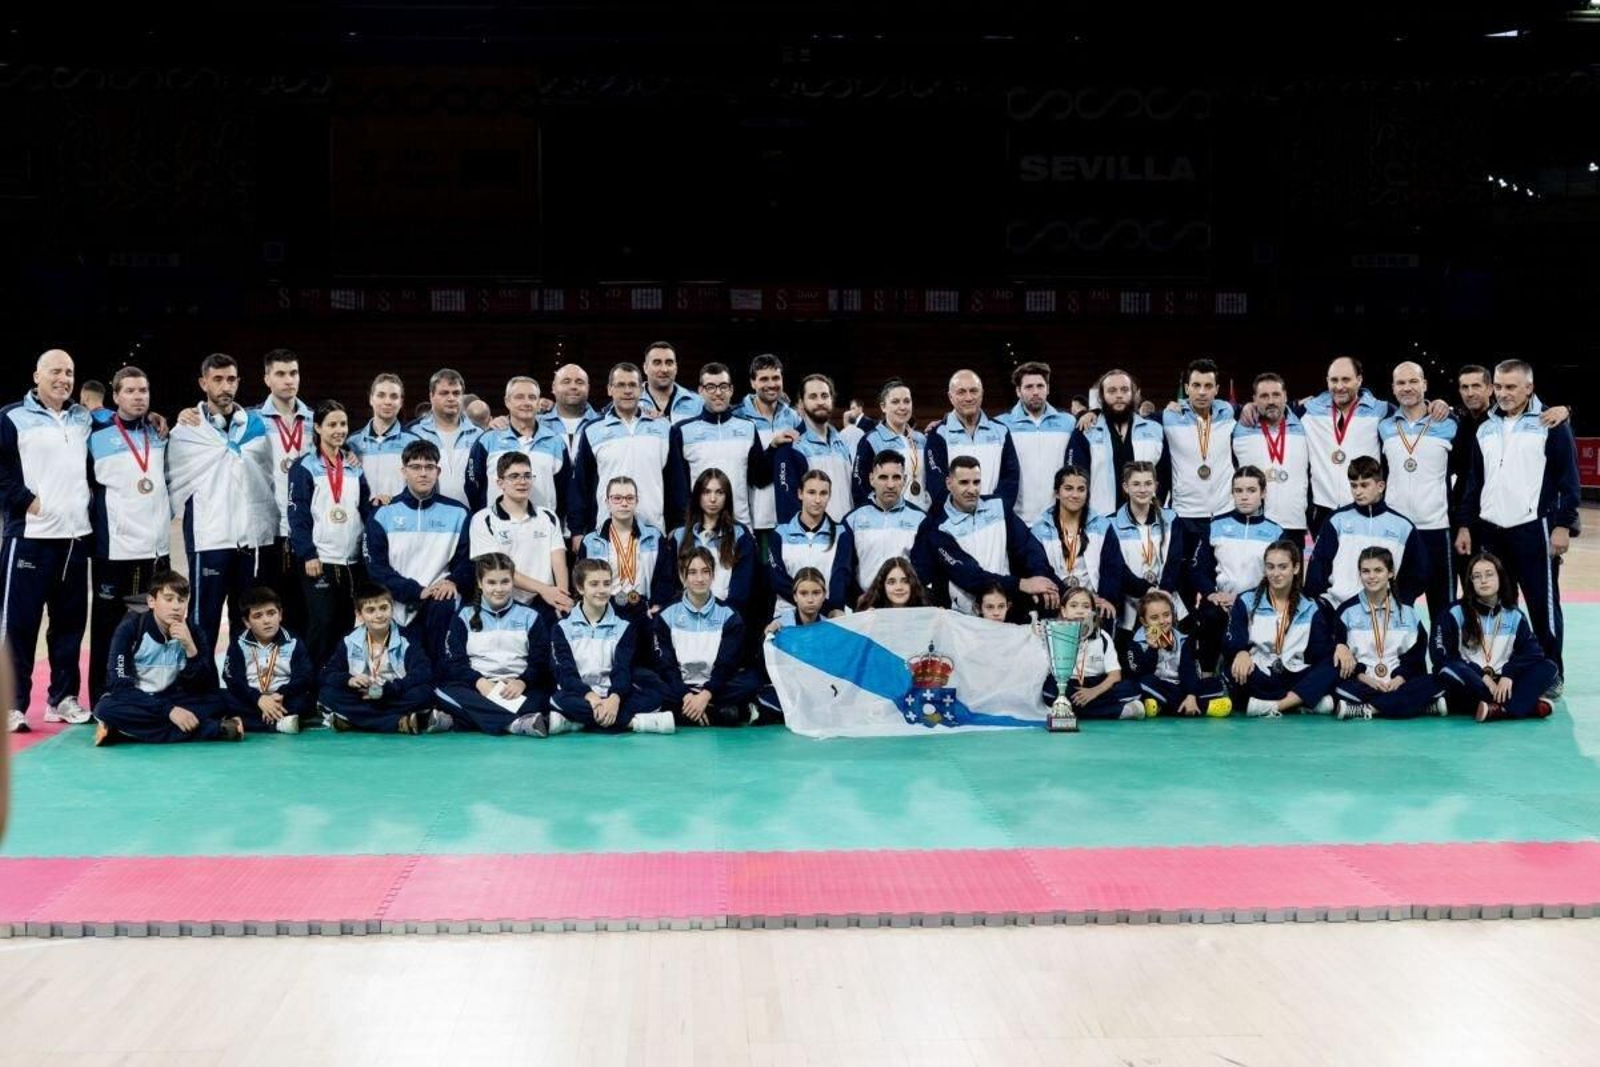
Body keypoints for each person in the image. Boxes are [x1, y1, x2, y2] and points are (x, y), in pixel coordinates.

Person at [1457, 359, 1579, 697]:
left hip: (1533, 528)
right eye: (1498, 386)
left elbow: (1569, 479)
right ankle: (1501, 668)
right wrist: (1465, 524)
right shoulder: (1486, 427)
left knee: (1543, 606)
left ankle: (1552, 673)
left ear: (1529, 388)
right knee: (1495, 604)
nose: (1503, 393)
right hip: (1490, 530)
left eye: (1511, 387)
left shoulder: (1550, 423)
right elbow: (1474, 483)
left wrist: (1563, 525)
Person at [1, 349, 94, 732]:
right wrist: (27, 502)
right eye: (55, 371)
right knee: (19, 626)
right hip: (30, 536)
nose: (64, 378)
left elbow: (120, 422)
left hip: (74, 538)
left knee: (70, 625)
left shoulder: (83, 418)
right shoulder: (11, 417)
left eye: (69, 372)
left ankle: (63, 699)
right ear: (36, 375)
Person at [165, 352, 279, 657]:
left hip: (249, 540)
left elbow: (268, 475)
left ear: (238, 382)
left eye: (230, 379)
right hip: (210, 539)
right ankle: (200, 681)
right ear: (203, 383)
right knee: (204, 619)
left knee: (248, 619)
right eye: (217, 379)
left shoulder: (256, 427)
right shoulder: (186, 431)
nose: (225, 386)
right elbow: (171, 481)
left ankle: (242, 679)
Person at [85, 366, 170, 713]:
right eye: (131, 391)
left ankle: (146, 691)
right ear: (116, 396)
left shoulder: (159, 432)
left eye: (143, 391)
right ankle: (102, 696)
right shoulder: (94, 432)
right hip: (115, 549)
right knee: (108, 627)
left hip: (156, 549)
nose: (138, 397)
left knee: (151, 626)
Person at [92, 571, 241, 745]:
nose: (176, 607)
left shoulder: (193, 631)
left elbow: (203, 686)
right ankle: (212, 729)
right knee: (104, 709)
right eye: (169, 599)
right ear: (151, 601)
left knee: (223, 700)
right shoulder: (130, 628)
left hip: (173, 697)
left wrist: (190, 648)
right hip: (139, 701)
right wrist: (169, 711)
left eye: (181, 600)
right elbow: (120, 686)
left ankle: (124, 732)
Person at [363, 439, 473, 663]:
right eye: (415, 467)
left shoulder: (459, 513)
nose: (423, 473)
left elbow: (469, 561)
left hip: (441, 603)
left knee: (440, 664)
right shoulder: (382, 514)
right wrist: (415, 591)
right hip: (397, 604)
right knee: (409, 669)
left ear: (438, 472)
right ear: (404, 471)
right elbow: (376, 568)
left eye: (429, 467)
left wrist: (453, 581)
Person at [915, 455, 1059, 617]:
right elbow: (969, 576)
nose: (972, 489)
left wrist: (1040, 578)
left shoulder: (998, 507)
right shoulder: (937, 527)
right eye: (964, 482)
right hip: (963, 617)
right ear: (949, 483)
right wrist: (1021, 584)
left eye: (976, 482)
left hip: (1004, 610)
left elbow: (1028, 547)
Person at [1379, 361, 1464, 627]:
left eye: (1413, 381)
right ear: (1393, 388)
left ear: (1424, 385)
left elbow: (1467, 475)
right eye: (1401, 383)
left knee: (1443, 608)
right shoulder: (1384, 427)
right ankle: (1401, 654)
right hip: (1396, 531)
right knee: (1395, 606)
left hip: (1437, 529)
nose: (1407, 388)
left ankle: (1443, 655)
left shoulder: (1450, 424)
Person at [288, 400, 372, 669]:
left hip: (350, 560)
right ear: (318, 428)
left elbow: (363, 507)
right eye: (332, 424)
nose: (339, 430)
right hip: (320, 559)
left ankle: (336, 681)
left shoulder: (354, 466)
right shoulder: (304, 467)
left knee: (345, 624)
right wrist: (307, 553)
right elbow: (297, 514)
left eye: (343, 424)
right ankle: (310, 681)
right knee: (321, 623)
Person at [550, 558, 674, 735]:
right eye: (594, 584)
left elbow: (622, 669)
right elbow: (565, 673)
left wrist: (614, 699)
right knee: (557, 699)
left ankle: (578, 722)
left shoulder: (624, 626)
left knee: (655, 696)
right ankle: (635, 723)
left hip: (613, 693)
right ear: (580, 588)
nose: (602, 590)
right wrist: (592, 698)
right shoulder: (562, 628)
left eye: (607, 584)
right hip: (579, 695)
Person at [435, 553, 554, 737]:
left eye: (505, 582)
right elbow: (454, 662)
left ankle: (464, 720)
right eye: (491, 582)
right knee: (442, 693)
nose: (499, 589)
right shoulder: (463, 616)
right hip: (477, 688)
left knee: (545, 699)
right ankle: (514, 724)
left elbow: (541, 660)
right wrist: (480, 682)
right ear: (480, 583)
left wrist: (522, 682)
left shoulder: (530, 616)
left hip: (517, 689)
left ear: (512, 582)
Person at [1432, 552, 1557, 722]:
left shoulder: (1514, 615)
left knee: (1548, 667)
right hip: (1472, 680)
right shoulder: (1453, 613)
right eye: (1477, 576)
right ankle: (1523, 705)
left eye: (1489, 574)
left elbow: (1533, 651)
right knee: (1450, 670)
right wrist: (1482, 676)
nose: (1483, 580)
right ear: (1470, 582)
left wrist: (1509, 674)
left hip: (1502, 681)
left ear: (1500, 577)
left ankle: (1499, 709)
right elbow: (1441, 656)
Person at [1224, 539, 1338, 717]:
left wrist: (1338, 651)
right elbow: (1233, 636)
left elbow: (1321, 652)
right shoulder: (1246, 601)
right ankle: (1303, 701)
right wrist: (1240, 652)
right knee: (1233, 671)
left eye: (1283, 567)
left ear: (1296, 568)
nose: (1276, 574)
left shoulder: (1310, 608)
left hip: (1294, 673)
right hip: (1260, 672)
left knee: (1334, 663)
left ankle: (1277, 705)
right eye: (1270, 567)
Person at [1329, 547, 1445, 721]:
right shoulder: (1346, 611)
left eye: (1378, 570)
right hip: (1362, 683)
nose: (1371, 576)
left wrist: (1399, 678)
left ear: (1390, 573)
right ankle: (1419, 706)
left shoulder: (1408, 612)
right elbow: (1339, 655)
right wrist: (1363, 677)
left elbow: (1416, 656)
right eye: (1365, 571)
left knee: (1437, 681)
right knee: (1338, 687)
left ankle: (1368, 709)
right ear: (1360, 574)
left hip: (1398, 683)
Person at [655, 547, 764, 727]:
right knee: (649, 682)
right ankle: (719, 714)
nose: (700, 578)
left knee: (752, 680)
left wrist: (706, 695)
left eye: (705, 571)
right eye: (692, 572)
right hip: (681, 688)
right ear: (683, 577)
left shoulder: (730, 616)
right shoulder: (666, 616)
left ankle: (684, 714)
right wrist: (686, 695)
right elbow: (666, 666)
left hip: (716, 687)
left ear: (713, 576)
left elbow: (726, 665)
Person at [319, 583, 445, 734]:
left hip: (393, 694)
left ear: (392, 609)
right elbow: (327, 673)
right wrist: (349, 680)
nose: (379, 615)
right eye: (370, 610)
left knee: (424, 694)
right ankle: (396, 722)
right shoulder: (349, 640)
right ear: (359, 614)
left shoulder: (407, 639)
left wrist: (388, 690)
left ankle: (354, 720)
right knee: (327, 693)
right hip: (363, 695)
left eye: (384, 608)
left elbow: (423, 673)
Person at [1305, 456, 1428, 611]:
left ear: (1381, 486)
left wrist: (1401, 601)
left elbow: (1419, 573)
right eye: (1353, 486)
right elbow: (1318, 567)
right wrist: (1320, 604)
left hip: (1385, 611)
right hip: (1338, 608)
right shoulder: (1337, 520)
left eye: (1364, 485)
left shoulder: (1403, 526)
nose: (1358, 492)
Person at [1192, 466, 1283, 671]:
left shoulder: (1276, 532)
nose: (1244, 496)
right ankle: (1207, 676)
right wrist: (1212, 594)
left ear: (1263, 493)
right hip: (1219, 602)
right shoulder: (1216, 526)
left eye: (1251, 490)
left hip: (1258, 604)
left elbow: (1279, 577)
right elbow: (1197, 568)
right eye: (1238, 490)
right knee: (1210, 617)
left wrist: (1243, 599)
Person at [569, 362, 673, 536]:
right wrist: (577, 530)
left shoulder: (663, 427)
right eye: (620, 385)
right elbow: (581, 484)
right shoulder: (593, 430)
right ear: (610, 389)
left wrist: (677, 526)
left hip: (653, 529)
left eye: (632, 385)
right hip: (605, 530)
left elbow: (674, 482)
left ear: (641, 390)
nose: (627, 391)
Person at [1162, 359, 1237, 596]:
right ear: (1187, 388)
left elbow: (1261, 408)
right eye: (1196, 385)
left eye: (1208, 386)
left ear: (1217, 389)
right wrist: (1093, 412)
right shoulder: (1168, 417)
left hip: (1223, 512)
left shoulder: (1229, 415)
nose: (1202, 392)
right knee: (1185, 581)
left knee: (1218, 578)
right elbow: (1134, 415)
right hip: (1186, 514)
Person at [469, 452, 570, 625]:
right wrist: (544, 589)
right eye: (514, 476)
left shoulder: (548, 516)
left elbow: (559, 562)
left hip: (544, 601)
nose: (522, 482)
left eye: (527, 476)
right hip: (503, 600)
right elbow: (495, 569)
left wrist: (562, 598)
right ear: (500, 483)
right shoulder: (483, 519)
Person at [666, 362, 770, 529]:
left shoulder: (748, 428)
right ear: (701, 391)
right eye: (710, 387)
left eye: (723, 386)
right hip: (699, 530)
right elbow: (677, 488)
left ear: (731, 389)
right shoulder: (682, 431)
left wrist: (774, 447)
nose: (718, 392)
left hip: (740, 527)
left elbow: (760, 478)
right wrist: (683, 526)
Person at [255, 348, 313, 630]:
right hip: (268, 530)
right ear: (267, 379)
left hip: (305, 529)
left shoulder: (315, 420)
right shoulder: (250, 420)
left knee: (305, 610)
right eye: (280, 374)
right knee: (269, 608)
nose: (289, 380)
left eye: (293, 373)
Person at [1067, 368, 1166, 517]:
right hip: (1101, 519)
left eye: (1124, 390)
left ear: (1134, 394)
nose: (1119, 395)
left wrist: (1156, 508)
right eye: (1112, 391)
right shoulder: (1086, 431)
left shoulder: (1155, 430)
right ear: (1102, 396)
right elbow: (1074, 478)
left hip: (1144, 519)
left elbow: (1164, 475)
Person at [466, 376, 569, 519]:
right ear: (507, 401)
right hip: (497, 526)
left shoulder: (555, 442)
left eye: (532, 397)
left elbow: (565, 490)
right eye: (519, 397)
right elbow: (472, 484)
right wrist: (486, 516)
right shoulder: (487, 440)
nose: (526, 402)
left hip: (542, 527)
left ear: (538, 402)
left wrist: (554, 519)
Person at [838, 451, 930, 607]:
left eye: (896, 477)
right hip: (866, 607)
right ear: (871, 479)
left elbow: (923, 570)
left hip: (906, 607)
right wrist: (859, 600)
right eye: (883, 477)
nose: (890, 485)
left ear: (905, 480)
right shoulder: (852, 520)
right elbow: (844, 569)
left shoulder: (920, 519)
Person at [658, 468, 757, 613]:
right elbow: (671, 584)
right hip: (685, 616)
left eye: (719, 492)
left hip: (726, 616)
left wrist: (725, 616)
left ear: (727, 497)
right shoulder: (679, 535)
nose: (713, 499)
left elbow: (741, 590)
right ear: (698, 496)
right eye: (706, 492)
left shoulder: (740, 535)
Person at [1104, 460, 1185, 636]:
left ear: (1155, 486)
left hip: (1167, 600)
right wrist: (1146, 590)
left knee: (1171, 648)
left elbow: (1175, 561)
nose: (1142, 489)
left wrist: (1163, 592)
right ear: (1125, 487)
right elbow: (1117, 568)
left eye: (1148, 483)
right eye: (1136, 484)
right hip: (1130, 608)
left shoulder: (1171, 519)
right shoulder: (1110, 524)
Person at [1040, 587, 1144, 720]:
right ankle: (1120, 711)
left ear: (1093, 612)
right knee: (1050, 693)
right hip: (1068, 684)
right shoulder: (1055, 634)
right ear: (1064, 611)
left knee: (1132, 688)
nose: (1080, 610)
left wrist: (1094, 692)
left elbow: (1115, 675)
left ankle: (1075, 710)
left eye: (1086, 606)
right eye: (1073, 605)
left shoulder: (1103, 636)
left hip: (1096, 683)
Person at [578, 476, 674, 620]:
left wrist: (658, 604)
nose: (624, 503)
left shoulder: (654, 537)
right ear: (607, 502)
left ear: (637, 501)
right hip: (604, 610)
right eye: (617, 498)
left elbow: (665, 578)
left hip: (642, 609)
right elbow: (582, 581)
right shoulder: (590, 541)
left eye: (629, 498)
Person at [221, 586, 315, 734]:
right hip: (252, 699)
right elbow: (232, 679)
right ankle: (279, 724)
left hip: (282, 699)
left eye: (271, 613)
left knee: (306, 700)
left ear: (280, 615)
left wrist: (281, 694)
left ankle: (248, 723)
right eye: (258, 616)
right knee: (220, 698)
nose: (266, 621)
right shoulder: (239, 643)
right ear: (247, 622)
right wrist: (259, 699)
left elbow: (304, 676)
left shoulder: (293, 642)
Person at [926, 369, 1021, 513]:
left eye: (974, 391)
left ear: (982, 394)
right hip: (953, 519)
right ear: (950, 397)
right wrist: (957, 514)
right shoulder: (938, 434)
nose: (969, 397)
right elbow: (936, 482)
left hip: (994, 517)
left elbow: (1010, 478)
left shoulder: (1001, 431)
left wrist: (995, 510)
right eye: (961, 392)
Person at [1230, 373, 1309, 544]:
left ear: (1285, 396)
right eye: (1264, 396)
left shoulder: (1304, 422)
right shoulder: (1239, 427)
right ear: (1254, 400)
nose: (1271, 401)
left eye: (1276, 395)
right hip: (1253, 523)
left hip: (1293, 523)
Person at [1028, 466, 1116, 619]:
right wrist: (1069, 597)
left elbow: (1112, 569)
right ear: (1057, 493)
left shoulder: (1103, 526)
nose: (1075, 495)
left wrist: (1103, 600)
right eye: (1068, 488)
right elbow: (1041, 570)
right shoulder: (1039, 530)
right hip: (1055, 603)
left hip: (1092, 606)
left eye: (1081, 489)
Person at [733, 353, 805, 538]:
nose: (771, 384)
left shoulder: (793, 417)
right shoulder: (738, 417)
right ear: (753, 382)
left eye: (776, 378)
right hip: (754, 518)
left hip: (789, 517)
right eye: (764, 379)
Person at [1128, 590, 1231, 717]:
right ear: (1144, 621)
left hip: (1180, 686)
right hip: (1156, 686)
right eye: (1154, 618)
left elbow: (1188, 669)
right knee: (1142, 683)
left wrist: (1191, 695)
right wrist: (1152, 649)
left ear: (1173, 615)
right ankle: (1204, 707)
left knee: (1216, 684)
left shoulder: (1182, 640)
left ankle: (1163, 706)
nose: (1162, 621)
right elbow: (1140, 673)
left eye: (1166, 615)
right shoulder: (1136, 642)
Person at [995, 362, 1075, 524]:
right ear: (1018, 391)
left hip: (1058, 519)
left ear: (1048, 389)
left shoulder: (1069, 422)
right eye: (1029, 387)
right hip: (1017, 519)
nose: (1036, 392)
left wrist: (1093, 413)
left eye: (1040, 386)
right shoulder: (1001, 425)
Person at [773, 373, 858, 524]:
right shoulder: (791, 446)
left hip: (846, 533)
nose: (820, 402)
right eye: (813, 397)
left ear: (831, 400)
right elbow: (787, 508)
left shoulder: (842, 443)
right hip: (813, 536)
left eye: (825, 396)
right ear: (801, 404)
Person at [766, 469, 850, 617]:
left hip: (827, 618)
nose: (817, 500)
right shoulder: (779, 533)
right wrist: (819, 606)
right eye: (811, 492)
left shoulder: (841, 533)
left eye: (823, 493)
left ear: (829, 496)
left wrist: (832, 609)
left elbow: (840, 577)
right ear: (800, 493)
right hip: (787, 616)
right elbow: (777, 580)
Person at [853, 378, 930, 511]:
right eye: (895, 402)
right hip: (888, 517)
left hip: (922, 515)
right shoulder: (871, 440)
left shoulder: (921, 439)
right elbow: (859, 486)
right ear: (883, 407)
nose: (902, 407)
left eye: (907, 401)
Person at [409, 368, 483, 505]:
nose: (451, 398)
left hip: (471, 513)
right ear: (431, 396)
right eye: (444, 393)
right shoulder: (414, 433)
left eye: (456, 393)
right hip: (426, 513)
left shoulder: (479, 435)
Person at [348, 373, 419, 505]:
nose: (387, 402)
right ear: (371, 399)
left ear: (401, 402)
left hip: (400, 515)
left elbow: (421, 486)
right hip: (362, 515)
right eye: (381, 395)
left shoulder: (413, 442)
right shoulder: (353, 442)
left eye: (394, 396)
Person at [541, 363, 600, 462]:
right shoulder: (536, 424)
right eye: (566, 382)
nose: (573, 386)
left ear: (588, 388)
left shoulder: (603, 424)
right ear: (553, 387)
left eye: (579, 382)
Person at [638, 341, 704, 425]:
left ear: (676, 368)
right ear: (645, 368)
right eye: (657, 363)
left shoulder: (698, 403)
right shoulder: (631, 402)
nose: (664, 369)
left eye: (669, 363)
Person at [766, 567, 830, 634]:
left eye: (816, 593)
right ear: (795, 596)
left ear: (824, 595)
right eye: (803, 593)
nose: (810, 600)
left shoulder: (830, 627)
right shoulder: (779, 627)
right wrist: (768, 634)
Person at [857, 556, 931, 610]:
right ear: (882, 586)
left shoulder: (927, 614)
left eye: (905, 581)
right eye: (891, 582)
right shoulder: (869, 614)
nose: (899, 587)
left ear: (912, 584)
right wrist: (868, 623)